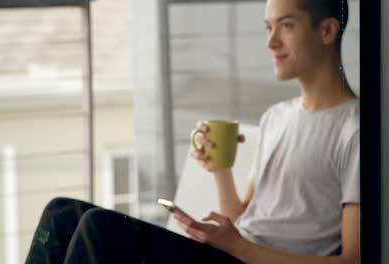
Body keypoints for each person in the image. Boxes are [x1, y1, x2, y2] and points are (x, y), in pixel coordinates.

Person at [25, 0, 360, 263]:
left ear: (327, 31)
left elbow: (354, 260)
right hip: (230, 254)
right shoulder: (277, 117)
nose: (271, 41)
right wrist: (220, 172)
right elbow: (243, 217)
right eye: (268, 27)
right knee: (62, 213)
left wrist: (242, 250)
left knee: (99, 228)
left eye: (286, 25)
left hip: (249, 260)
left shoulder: (355, 129)